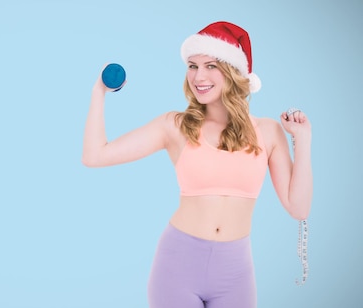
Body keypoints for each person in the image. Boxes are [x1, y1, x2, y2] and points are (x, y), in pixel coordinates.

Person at [81, 21, 312, 308]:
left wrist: (303, 139)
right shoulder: (175, 126)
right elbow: (95, 155)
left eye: (211, 66)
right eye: (192, 66)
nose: (198, 76)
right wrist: (98, 92)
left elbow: (298, 207)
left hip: (235, 275)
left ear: (233, 71)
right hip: (178, 268)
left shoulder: (268, 131)